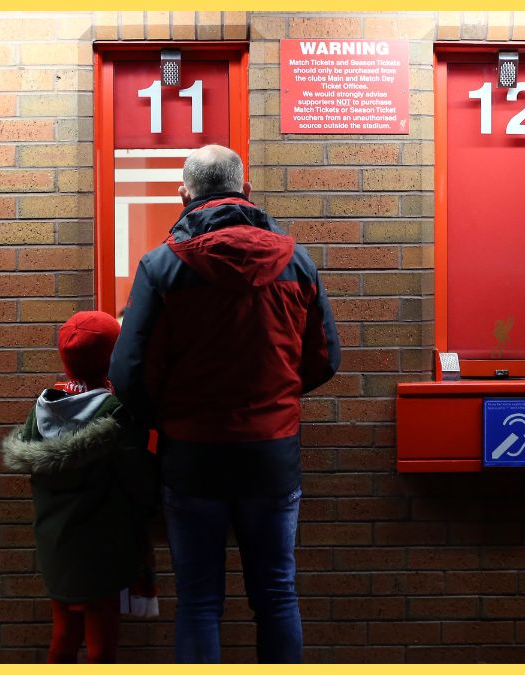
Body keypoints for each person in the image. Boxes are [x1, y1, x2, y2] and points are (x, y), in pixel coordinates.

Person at [109, 144, 340, 664]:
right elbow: (325, 357)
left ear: (183, 195)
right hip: (271, 454)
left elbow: (127, 372)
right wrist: (273, 396)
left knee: (199, 602)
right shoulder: (295, 261)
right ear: (247, 191)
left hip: (191, 456)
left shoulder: (161, 266)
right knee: (277, 596)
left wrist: (164, 417)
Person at [1, 311, 158, 663]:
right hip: (103, 548)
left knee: (64, 635)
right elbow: (138, 481)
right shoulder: (115, 412)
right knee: (101, 645)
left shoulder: (43, 406)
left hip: (56, 545)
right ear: (113, 356)